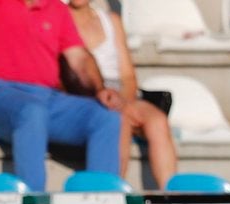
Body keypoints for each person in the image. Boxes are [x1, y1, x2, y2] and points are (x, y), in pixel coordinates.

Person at [0, 0, 123, 193]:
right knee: (31, 111)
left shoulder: (57, 9)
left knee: (105, 116)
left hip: (46, 97)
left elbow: (79, 58)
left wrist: (100, 89)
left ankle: (103, 202)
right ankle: (33, 202)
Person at [67, 0, 178, 189]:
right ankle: (114, 195)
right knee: (119, 122)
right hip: (83, 93)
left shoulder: (111, 21)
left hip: (119, 93)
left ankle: (171, 197)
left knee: (157, 120)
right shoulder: (58, 18)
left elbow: (127, 76)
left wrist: (122, 101)